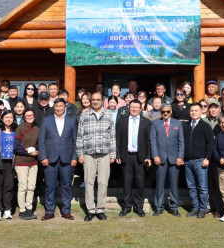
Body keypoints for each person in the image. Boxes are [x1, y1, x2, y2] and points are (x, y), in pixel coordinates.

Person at [77, 92, 116, 222]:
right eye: (93, 99)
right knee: (89, 182)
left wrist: (113, 154)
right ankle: (90, 210)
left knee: (103, 182)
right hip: (88, 153)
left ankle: (100, 209)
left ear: (102, 101)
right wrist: (80, 153)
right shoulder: (84, 115)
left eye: (97, 100)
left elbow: (112, 136)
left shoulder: (108, 115)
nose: (95, 102)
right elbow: (79, 136)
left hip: (105, 153)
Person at [39, 98, 78, 221]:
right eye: (56, 106)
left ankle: (66, 211)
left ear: (65, 107)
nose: (58, 108)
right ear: (54, 107)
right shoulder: (46, 120)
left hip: (67, 159)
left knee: (66, 186)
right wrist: (43, 157)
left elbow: (75, 141)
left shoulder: (71, 121)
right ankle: (49, 211)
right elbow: (41, 140)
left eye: (61, 106)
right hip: (50, 159)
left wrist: (74, 157)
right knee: (50, 186)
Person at [116, 100, 151, 217]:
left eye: (137, 107)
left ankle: (139, 207)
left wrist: (148, 156)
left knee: (140, 183)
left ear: (140, 109)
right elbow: (118, 139)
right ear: (128, 108)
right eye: (132, 107)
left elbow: (149, 141)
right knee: (127, 183)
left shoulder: (146, 121)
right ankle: (127, 206)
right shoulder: (122, 121)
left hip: (140, 157)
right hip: (126, 156)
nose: (134, 109)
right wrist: (118, 155)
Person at [150, 104, 184, 217]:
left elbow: (181, 142)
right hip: (160, 158)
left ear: (171, 112)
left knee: (174, 185)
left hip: (174, 159)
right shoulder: (155, 123)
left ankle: (174, 207)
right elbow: (153, 141)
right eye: (163, 111)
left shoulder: (177, 123)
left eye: (167, 112)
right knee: (160, 185)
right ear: (160, 112)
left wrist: (180, 157)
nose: (165, 113)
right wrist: (155, 156)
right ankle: (159, 207)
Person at [183, 103, 214, 218]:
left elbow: (210, 143)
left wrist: (207, 158)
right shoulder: (185, 125)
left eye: (196, 110)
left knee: (202, 187)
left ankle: (202, 208)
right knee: (191, 186)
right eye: (192, 110)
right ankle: (195, 207)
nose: (194, 112)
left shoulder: (205, 126)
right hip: (187, 161)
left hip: (200, 160)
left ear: (201, 112)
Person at [14, 108, 40, 220]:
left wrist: (37, 150)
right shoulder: (20, 129)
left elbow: (40, 143)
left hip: (33, 163)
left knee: (31, 186)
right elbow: (16, 147)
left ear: (34, 116)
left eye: (31, 115)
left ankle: (29, 208)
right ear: (24, 117)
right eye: (27, 115)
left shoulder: (38, 129)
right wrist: (27, 152)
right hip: (21, 162)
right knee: (23, 186)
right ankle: (22, 210)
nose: (29, 117)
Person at [204, 100, 224, 217]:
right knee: (208, 183)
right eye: (211, 108)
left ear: (219, 109)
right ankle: (209, 206)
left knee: (219, 184)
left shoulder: (222, 121)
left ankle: (219, 208)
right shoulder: (204, 121)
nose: (213, 110)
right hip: (207, 156)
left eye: (215, 108)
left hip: (218, 156)